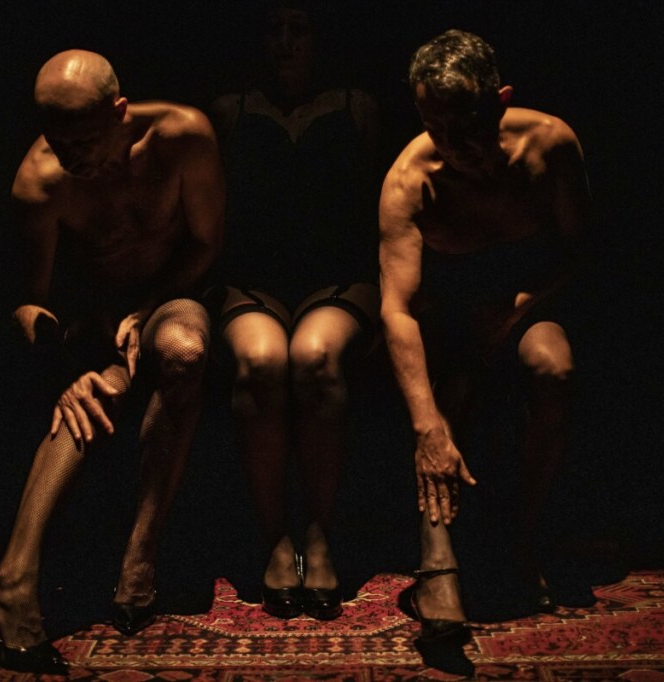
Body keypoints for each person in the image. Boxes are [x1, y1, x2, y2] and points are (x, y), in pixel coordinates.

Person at [0, 49, 225, 674]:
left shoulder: (182, 136)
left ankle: (141, 552)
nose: (72, 157)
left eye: (84, 141)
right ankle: (13, 575)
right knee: (93, 391)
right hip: (89, 322)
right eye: (58, 142)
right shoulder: (41, 180)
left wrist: (145, 309)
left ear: (119, 112)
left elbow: (204, 242)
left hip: (168, 295)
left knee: (184, 350)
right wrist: (64, 366)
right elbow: (28, 302)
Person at [379, 29, 592, 647]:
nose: (453, 145)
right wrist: (427, 426)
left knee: (554, 369)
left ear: (499, 102)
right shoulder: (411, 179)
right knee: (439, 396)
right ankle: (438, 564)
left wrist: (515, 308)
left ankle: (521, 542)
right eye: (435, 127)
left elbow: (582, 251)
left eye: (466, 126)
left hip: (526, 301)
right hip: (447, 314)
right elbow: (397, 308)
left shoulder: (550, 144)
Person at [206, 2, 380, 620]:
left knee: (315, 357)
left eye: (298, 29)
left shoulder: (357, 107)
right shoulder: (232, 110)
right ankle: (275, 535)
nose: (284, 41)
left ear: (320, 37)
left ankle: (320, 533)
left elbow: (376, 209)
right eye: (273, 29)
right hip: (254, 281)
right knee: (260, 362)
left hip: (336, 279)